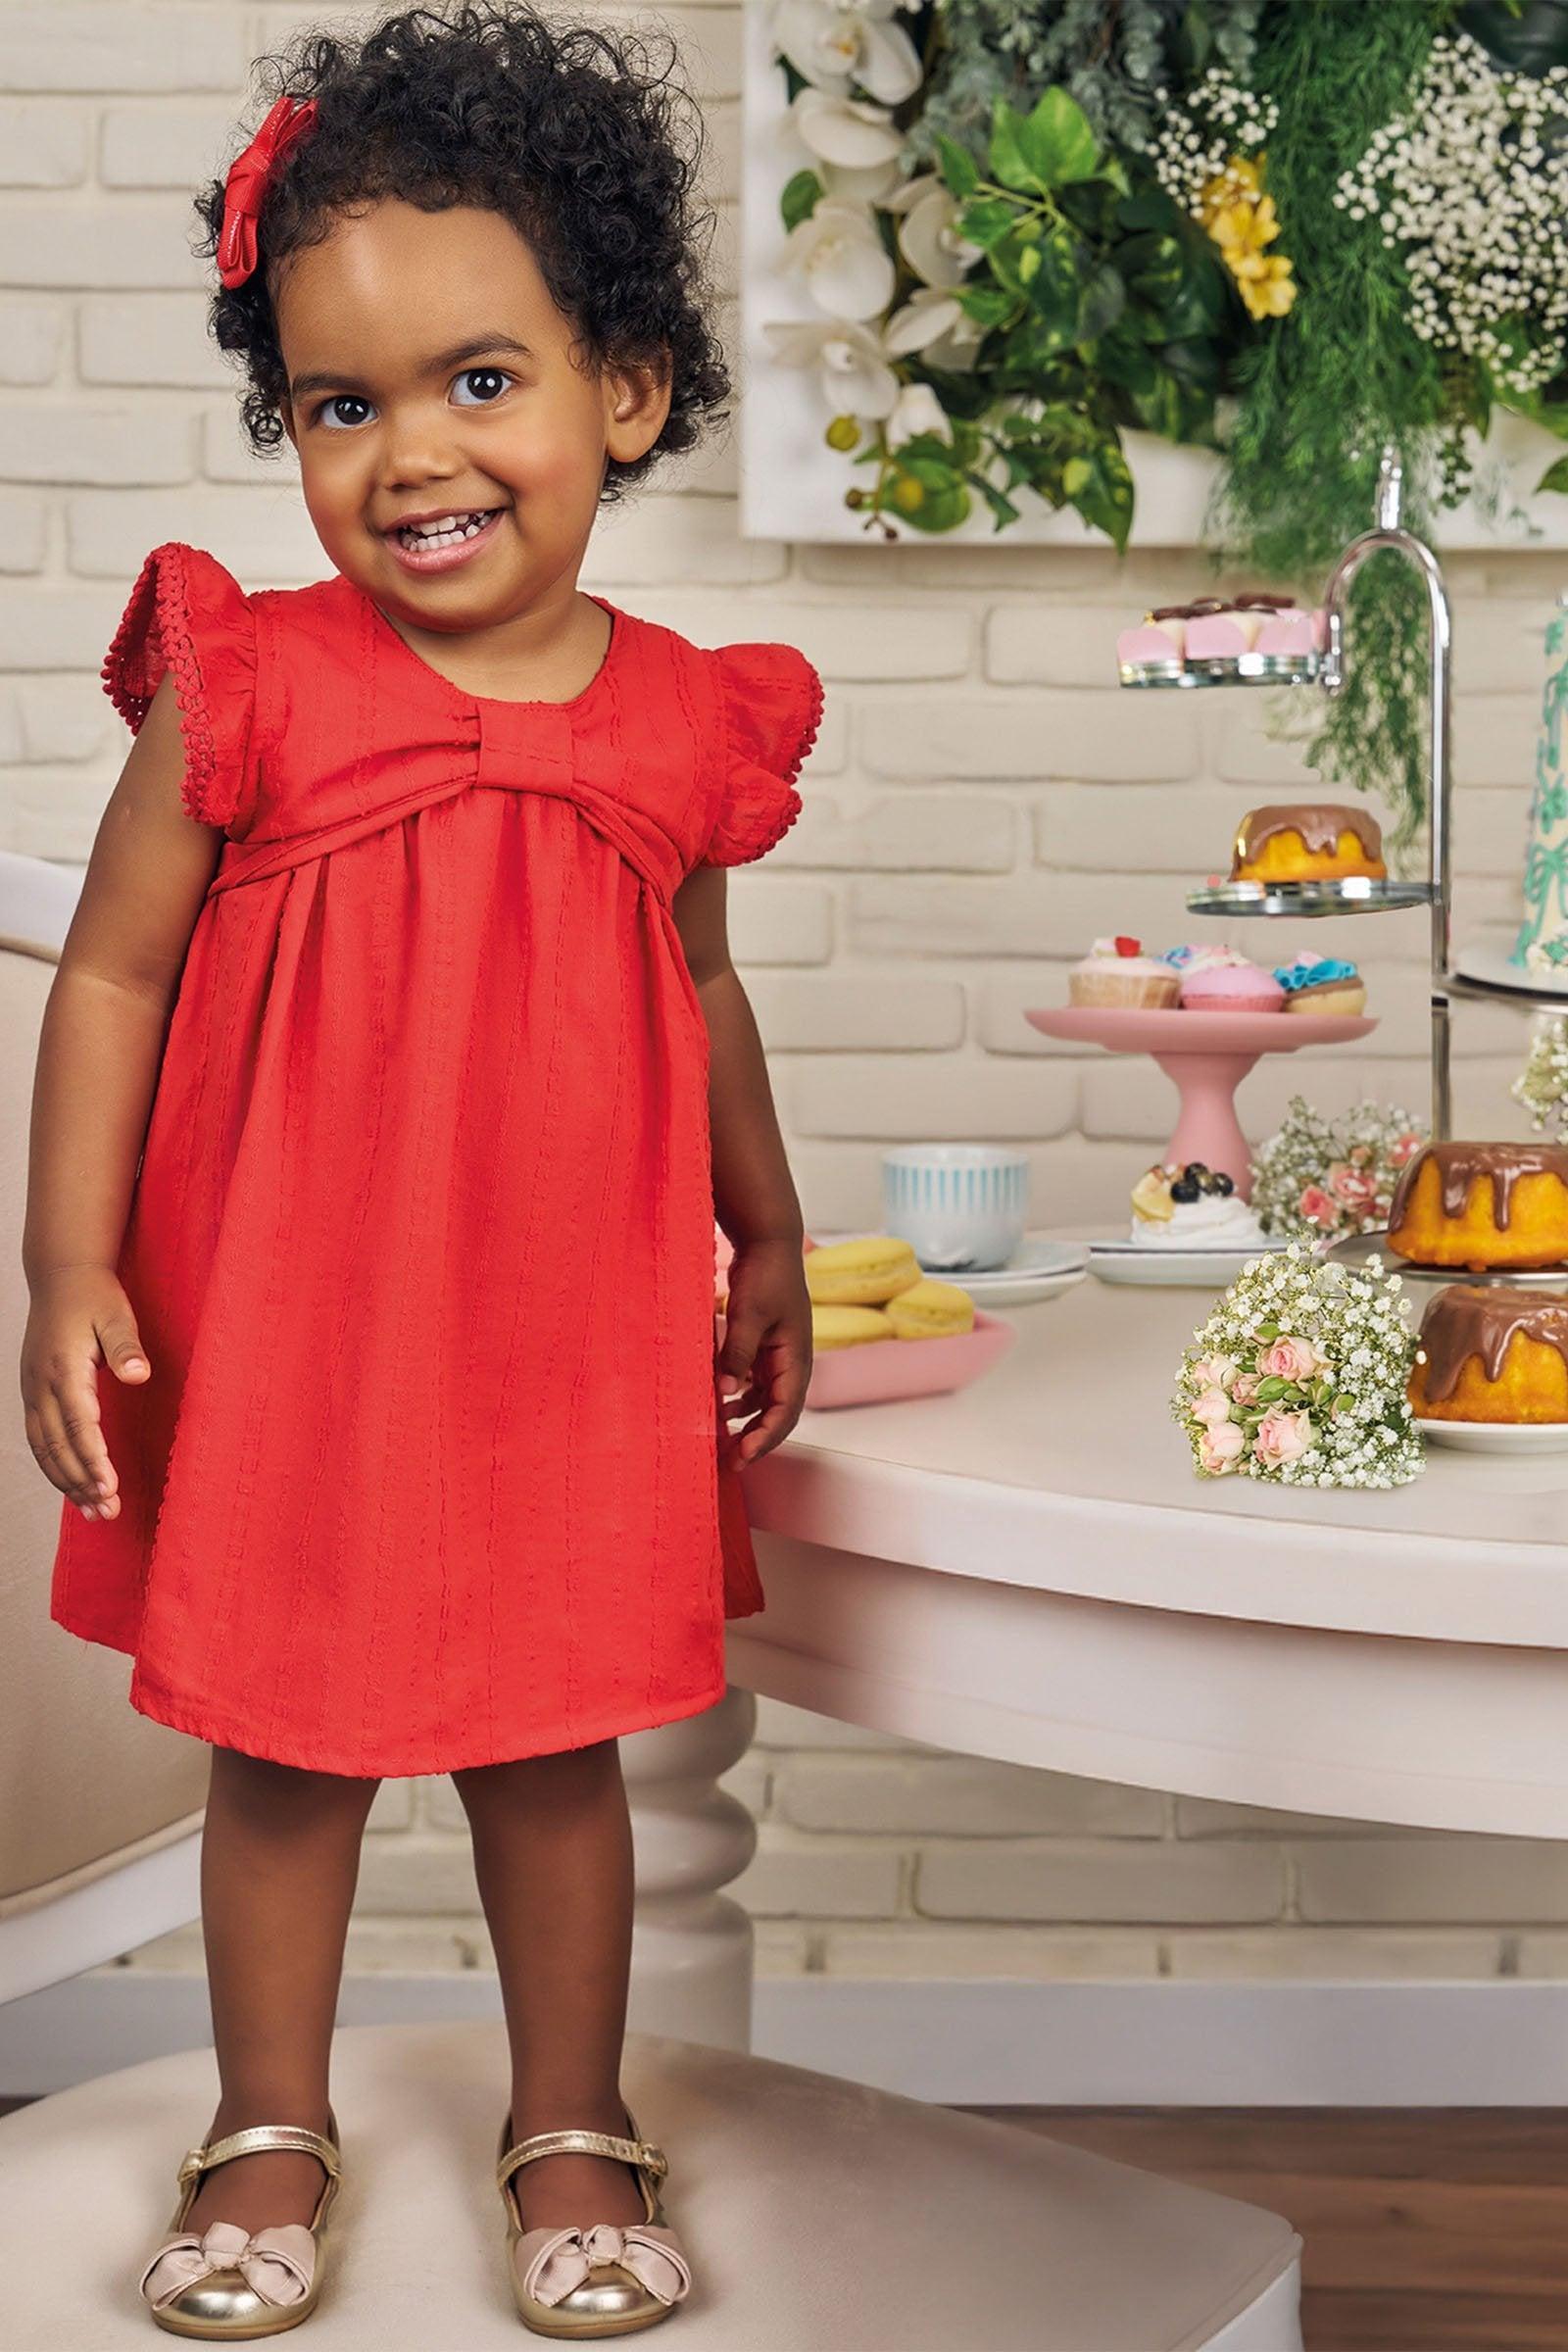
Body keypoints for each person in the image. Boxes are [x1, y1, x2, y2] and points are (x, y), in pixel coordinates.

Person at [19, 4, 819, 2335]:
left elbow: (700, 993)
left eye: (480, 380)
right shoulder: (248, 684)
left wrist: (768, 1225)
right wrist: (66, 1261)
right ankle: (266, 2131)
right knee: (285, 1752)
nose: (411, 457)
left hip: (555, 1332)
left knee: (556, 1751)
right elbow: (109, 980)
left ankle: (570, 2125)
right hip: (295, 1326)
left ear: (625, 391)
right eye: (339, 407)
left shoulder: (677, 721)